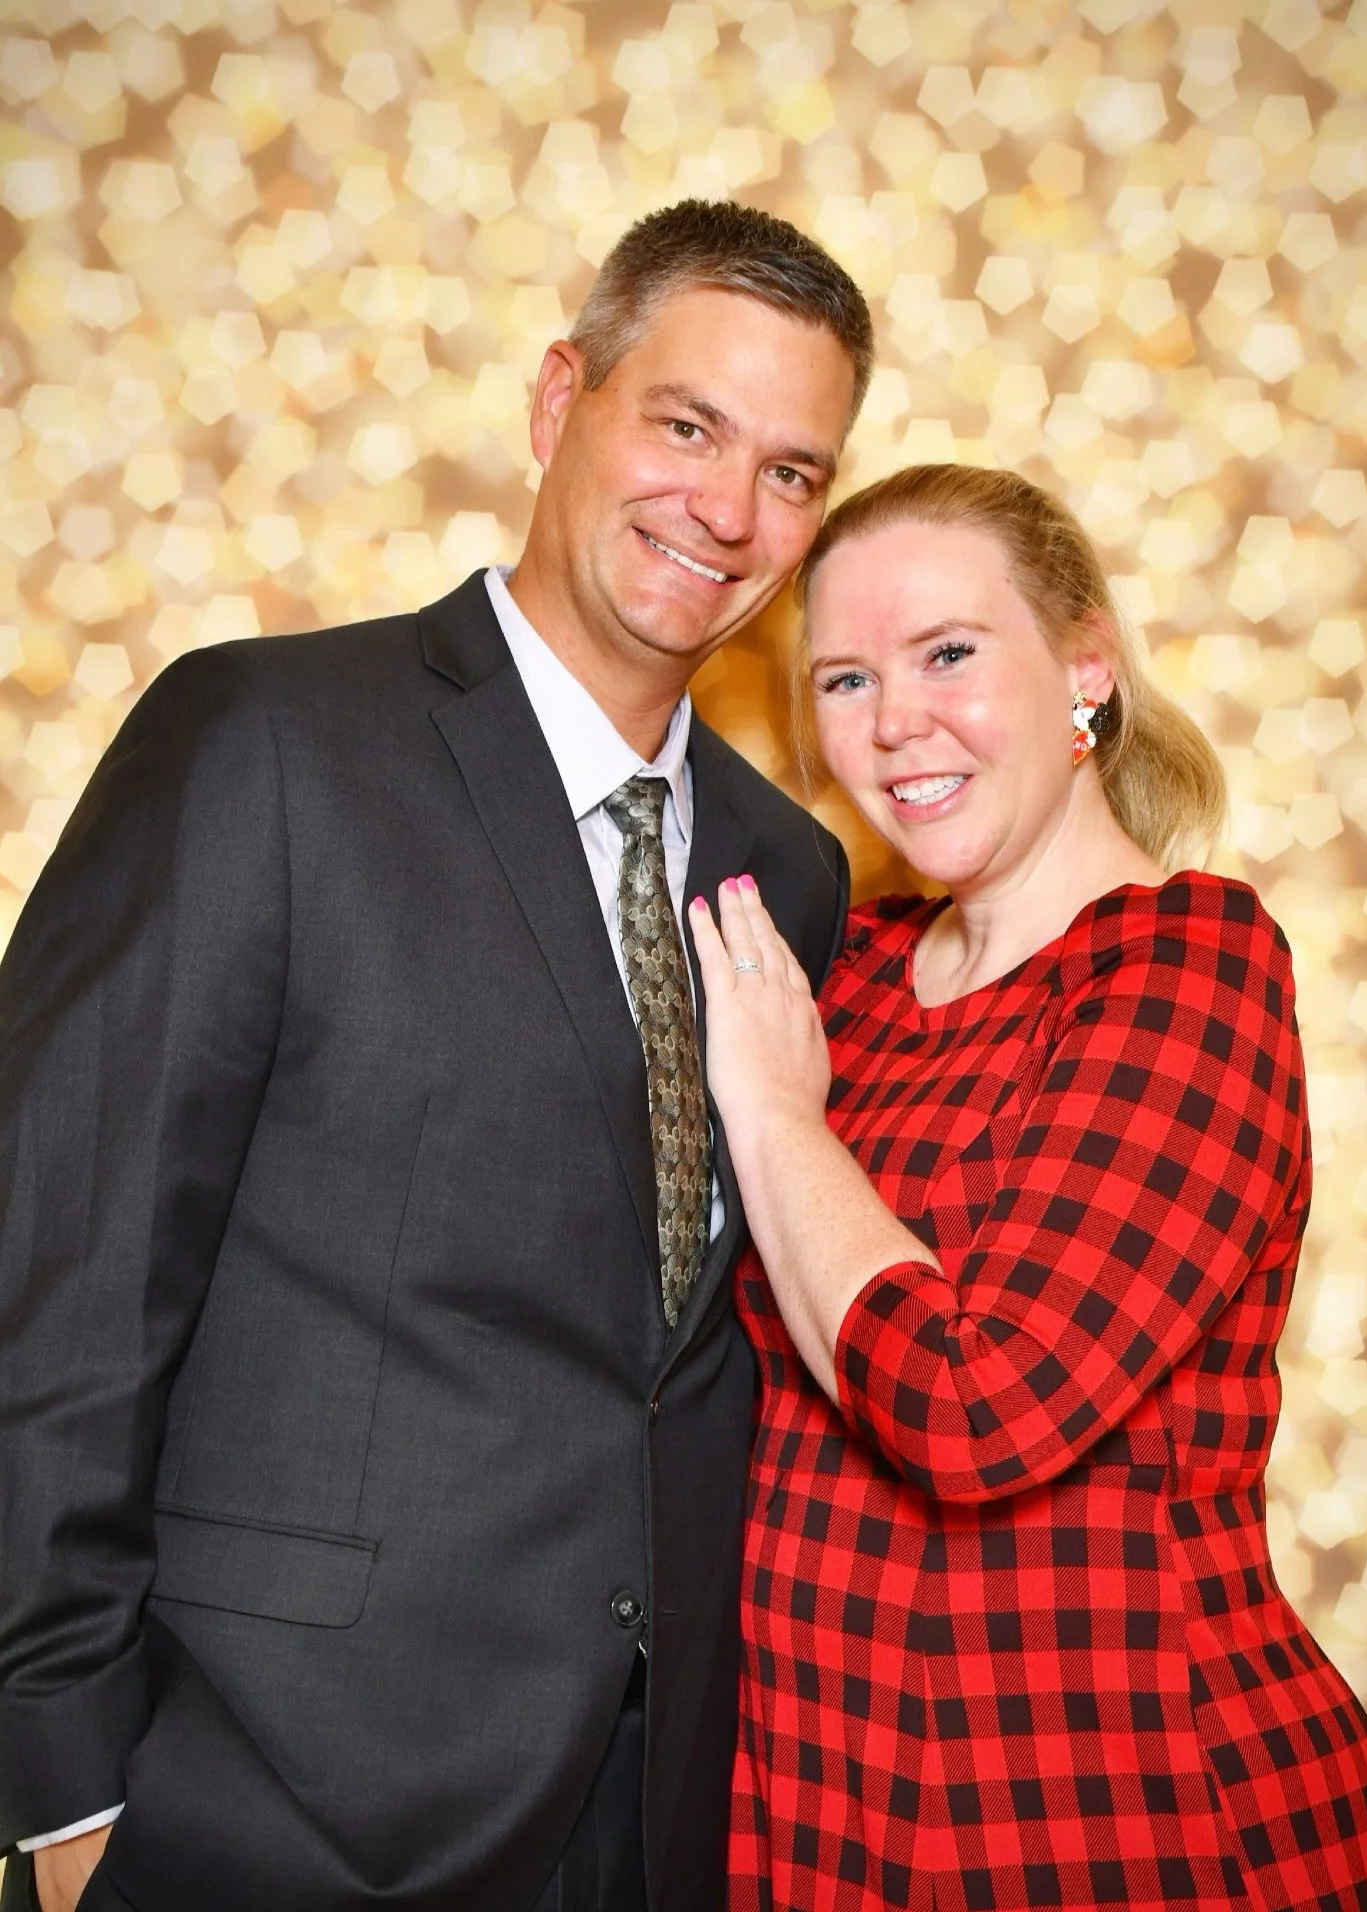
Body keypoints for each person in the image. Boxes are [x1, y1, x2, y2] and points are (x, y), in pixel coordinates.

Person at [0, 201, 872, 1912]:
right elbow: (54, 1277)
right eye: (685, 425)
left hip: (646, 1812)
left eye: (792, 469)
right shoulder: (263, 742)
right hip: (262, 1802)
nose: (728, 507)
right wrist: (60, 1792)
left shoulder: (794, 868)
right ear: (562, 402)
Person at [688, 464, 1367, 1912]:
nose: (896, 722)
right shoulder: (853, 979)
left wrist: (775, 1120)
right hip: (834, 1809)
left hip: (1110, 1816)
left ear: (1086, 670)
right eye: (844, 678)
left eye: (948, 652)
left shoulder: (1188, 965)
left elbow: (977, 1407)